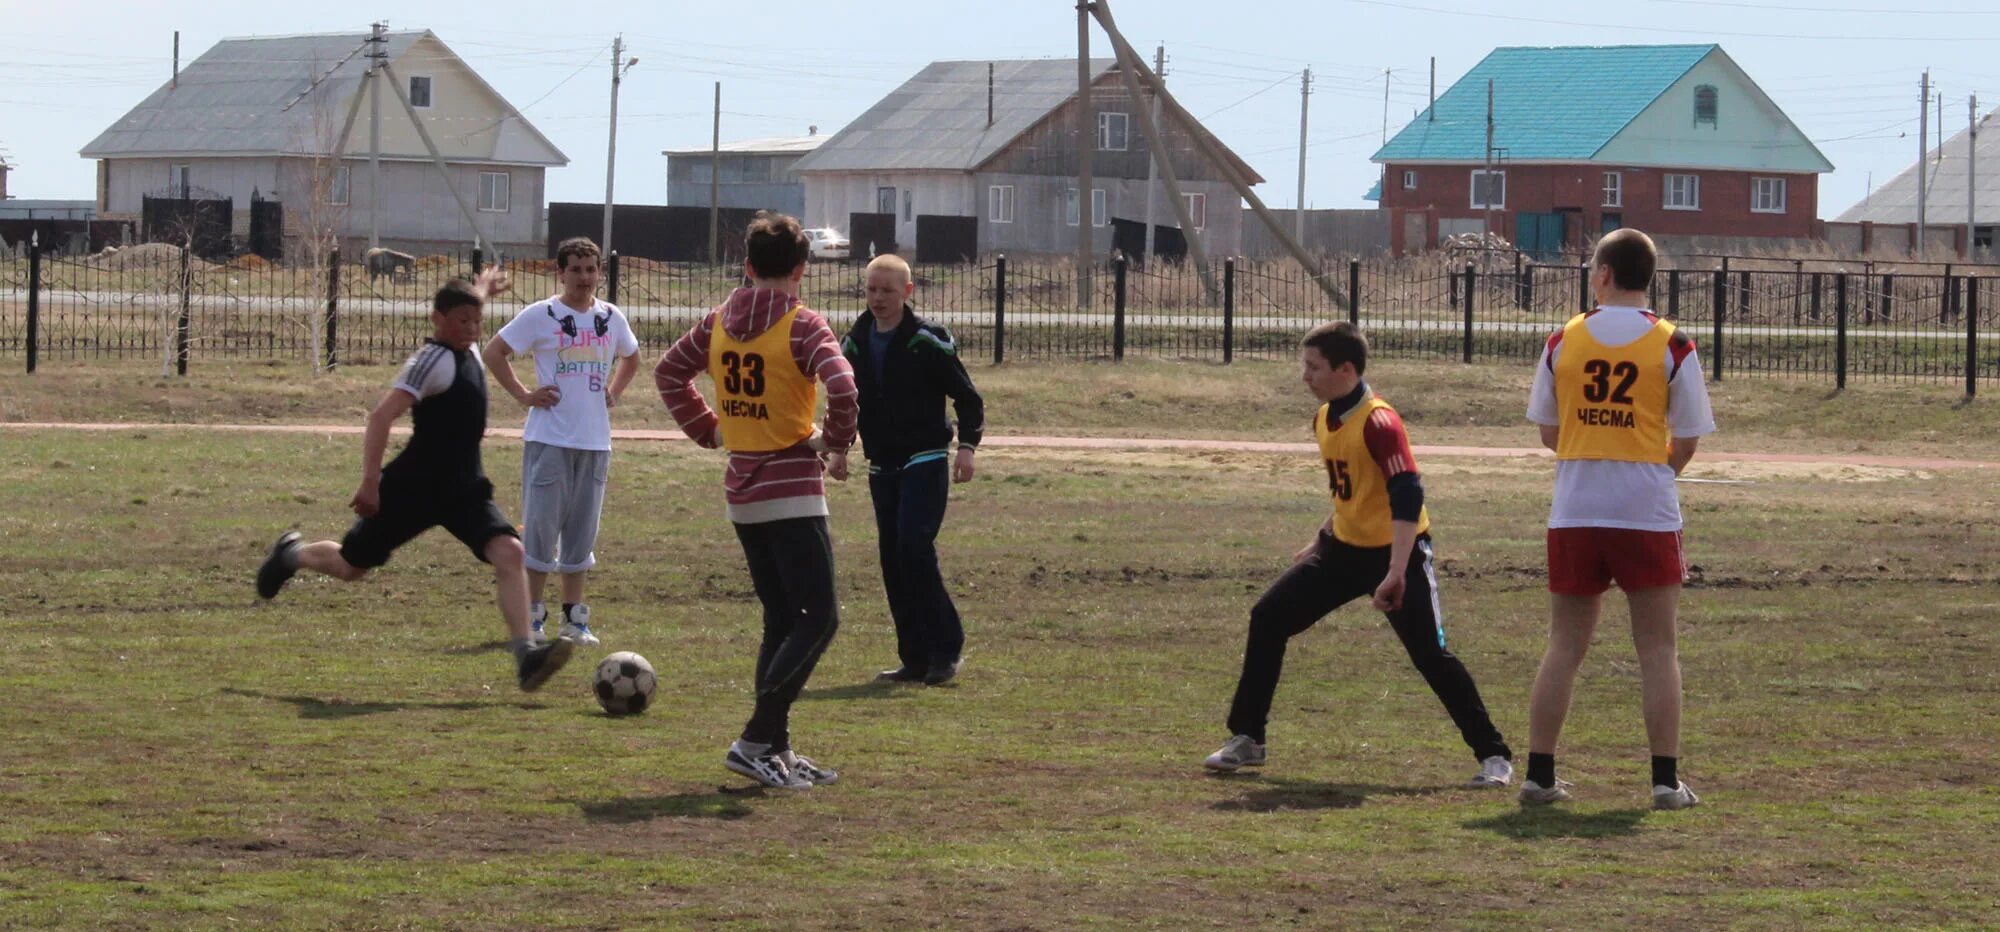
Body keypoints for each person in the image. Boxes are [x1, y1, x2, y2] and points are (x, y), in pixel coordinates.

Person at [1205, 322, 1515, 788]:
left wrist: (1395, 571)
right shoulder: (1325, 417)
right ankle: (1248, 738)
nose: (1304, 377)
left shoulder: (1379, 421)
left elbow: (1407, 494)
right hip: (1342, 551)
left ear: (1346, 369)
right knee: (1268, 616)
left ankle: (1494, 755)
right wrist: (1320, 537)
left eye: (1313, 367)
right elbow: (1355, 491)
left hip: (1398, 555)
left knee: (1431, 655)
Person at [255, 267, 575, 690]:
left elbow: (467, 304)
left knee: (510, 553)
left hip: (463, 488)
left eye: (477, 322)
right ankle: (291, 554)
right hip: (413, 488)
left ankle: (525, 657)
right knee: (352, 567)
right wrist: (370, 483)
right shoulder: (432, 360)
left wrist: (481, 289)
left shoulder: (469, 345)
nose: (472, 329)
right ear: (437, 320)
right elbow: (381, 416)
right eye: (462, 322)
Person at [653, 212, 859, 790]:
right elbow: (843, 385)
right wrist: (837, 444)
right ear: (802, 270)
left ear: (746, 267)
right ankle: (754, 739)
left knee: (781, 619)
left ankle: (779, 749)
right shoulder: (803, 325)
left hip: (742, 492)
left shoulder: (718, 320)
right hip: (792, 489)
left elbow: (670, 373)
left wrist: (712, 429)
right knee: (820, 618)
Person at [1519, 228, 1716, 811]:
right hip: (1647, 510)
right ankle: (1663, 781)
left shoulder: (1564, 339)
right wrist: (1653, 472)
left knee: (1564, 645)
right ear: (1648, 275)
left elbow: (1550, 431)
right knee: (1657, 649)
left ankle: (1539, 774)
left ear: (1602, 273)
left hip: (1576, 507)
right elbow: (1687, 438)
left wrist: (1592, 447)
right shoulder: (1673, 344)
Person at [826, 254, 985, 687]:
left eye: (887, 291)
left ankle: (946, 648)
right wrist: (840, 449)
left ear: (907, 293)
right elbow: (846, 402)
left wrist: (967, 447)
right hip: (882, 464)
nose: (877, 298)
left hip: (926, 459)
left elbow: (967, 398)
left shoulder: (927, 340)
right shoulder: (854, 343)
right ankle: (913, 659)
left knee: (914, 547)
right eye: (871, 289)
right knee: (893, 559)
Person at [483, 237, 640, 647]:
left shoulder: (611, 317)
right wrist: (523, 395)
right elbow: (494, 352)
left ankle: (575, 621)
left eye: (591, 270)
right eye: (576, 270)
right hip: (549, 438)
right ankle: (533, 620)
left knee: (581, 535)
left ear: (599, 273)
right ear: (561, 273)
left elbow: (632, 356)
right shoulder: (542, 315)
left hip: (595, 442)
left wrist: (614, 391)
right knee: (540, 531)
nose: (584, 278)